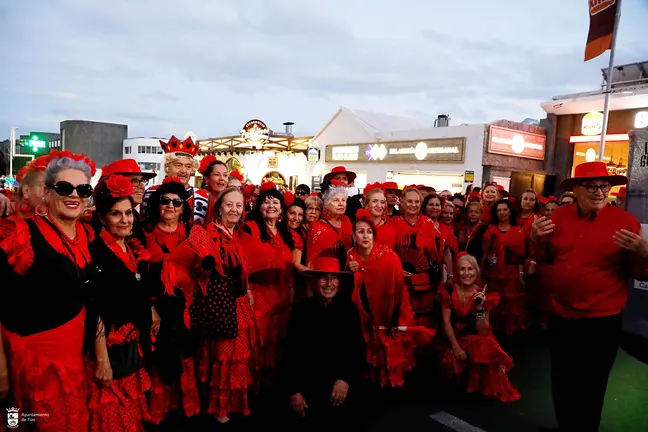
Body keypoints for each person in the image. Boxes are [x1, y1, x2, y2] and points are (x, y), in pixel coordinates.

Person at [532, 161, 648, 432]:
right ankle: (566, 426)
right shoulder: (558, 218)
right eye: (592, 186)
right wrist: (536, 242)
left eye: (604, 186)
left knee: (592, 384)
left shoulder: (625, 223)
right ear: (575, 189)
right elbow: (546, 259)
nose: (599, 192)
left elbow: (640, 274)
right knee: (561, 380)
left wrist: (644, 254)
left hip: (602, 322)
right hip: (563, 317)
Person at [0, 150, 99, 431]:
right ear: (47, 192)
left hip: (76, 356)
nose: (74, 195)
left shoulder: (86, 234)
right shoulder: (22, 236)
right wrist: (1, 366)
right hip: (36, 363)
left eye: (83, 189)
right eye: (65, 188)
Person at [164, 186, 255, 425]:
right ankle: (219, 409)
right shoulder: (205, 233)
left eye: (239, 205)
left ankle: (225, 407)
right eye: (229, 204)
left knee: (232, 359)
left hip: (237, 306)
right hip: (217, 308)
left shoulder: (237, 235)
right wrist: (203, 269)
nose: (234, 209)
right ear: (219, 208)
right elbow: (185, 265)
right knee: (220, 360)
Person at [88, 175, 153, 431]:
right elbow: (95, 309)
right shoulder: (97, 252)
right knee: (111, 415)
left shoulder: (131, 247)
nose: (125, 219)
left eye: (129, 213)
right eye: (117, 214)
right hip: (109, 351)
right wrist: (102, 359)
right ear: (103, 218)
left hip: (131, 348)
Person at [283, 256, 366, 431]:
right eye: (323, 278)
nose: (329, 283)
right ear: (315, 281)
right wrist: (294, 391)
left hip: (341, 387)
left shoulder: (349, 309)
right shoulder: (301, 310)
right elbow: (290, 353)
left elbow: (357, 350)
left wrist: (345, 379)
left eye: (333, 278)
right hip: (309, 387)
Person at [142, 177, 199, 425]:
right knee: (158, 363)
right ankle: (159, 412)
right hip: (156, 308)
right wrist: (150, 307)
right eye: (165, 200)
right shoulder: (142, 233)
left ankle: (186, 410)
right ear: (157, 203)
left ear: (184, 208)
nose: (171, 206)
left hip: (186, 306)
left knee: (186, 360)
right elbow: (136, 273)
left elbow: (204, 269)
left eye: (177, 202)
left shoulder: (193, 234)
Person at [347, 209, 416, 389]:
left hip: (388, 310)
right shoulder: (350, 256)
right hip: (364, 313)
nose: (365, 236)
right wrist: (350, 270)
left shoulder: (388, 255)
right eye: (360, 232)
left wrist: (395, 319)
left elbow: (398, 287)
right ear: (354, 236)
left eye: (369, 232)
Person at [437, 254, 519, 402]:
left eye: (470, 269)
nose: (466, 273)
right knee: (450, 361)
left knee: (483, 344)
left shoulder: (484, 295)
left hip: (476, 337)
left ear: (476, 272)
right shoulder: (448, 291)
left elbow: (483, 331)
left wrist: (479, 306)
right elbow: (445, 322)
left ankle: (476, 386)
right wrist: (456, 348)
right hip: (455, 338)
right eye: (462, 269)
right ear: (457, 271)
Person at [239, 181, 294, 384]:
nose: (271, 206)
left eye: (275, 202)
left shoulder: (284, 233)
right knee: (257, 341)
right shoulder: (251, 227)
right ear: (258, 205)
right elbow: (242, 259)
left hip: (281, 294)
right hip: (258, 293)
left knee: (276, 340)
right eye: (266, 202)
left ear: (281, 208)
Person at [481, 199, 526, 335]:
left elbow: (521, 257)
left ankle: (509, 335)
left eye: (504, 209)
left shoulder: (518, 231)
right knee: (495, 304)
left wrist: (521, 275)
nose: (502, 213)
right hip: (494, 273)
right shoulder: (491, 231)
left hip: (512, 273)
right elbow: (484, 254)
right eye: (499, 210)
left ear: (510, 211)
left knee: (511, 305)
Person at [142, 136, 203, 223]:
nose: (183, 171)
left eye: (188, 166)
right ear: (167, 167)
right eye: (178, 165)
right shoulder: (150, 193)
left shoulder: (203, 197)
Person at [95, 159, 156, 241]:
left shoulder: (138, 219)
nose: (142, 186)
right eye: (135, 181)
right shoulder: (92, 226)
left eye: (142, 181)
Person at [195, 156, 229, 225]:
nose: (222, 178)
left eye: (225, 175)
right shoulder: (198, 200)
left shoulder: (229, 201)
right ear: (207, 179)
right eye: (217, 174)